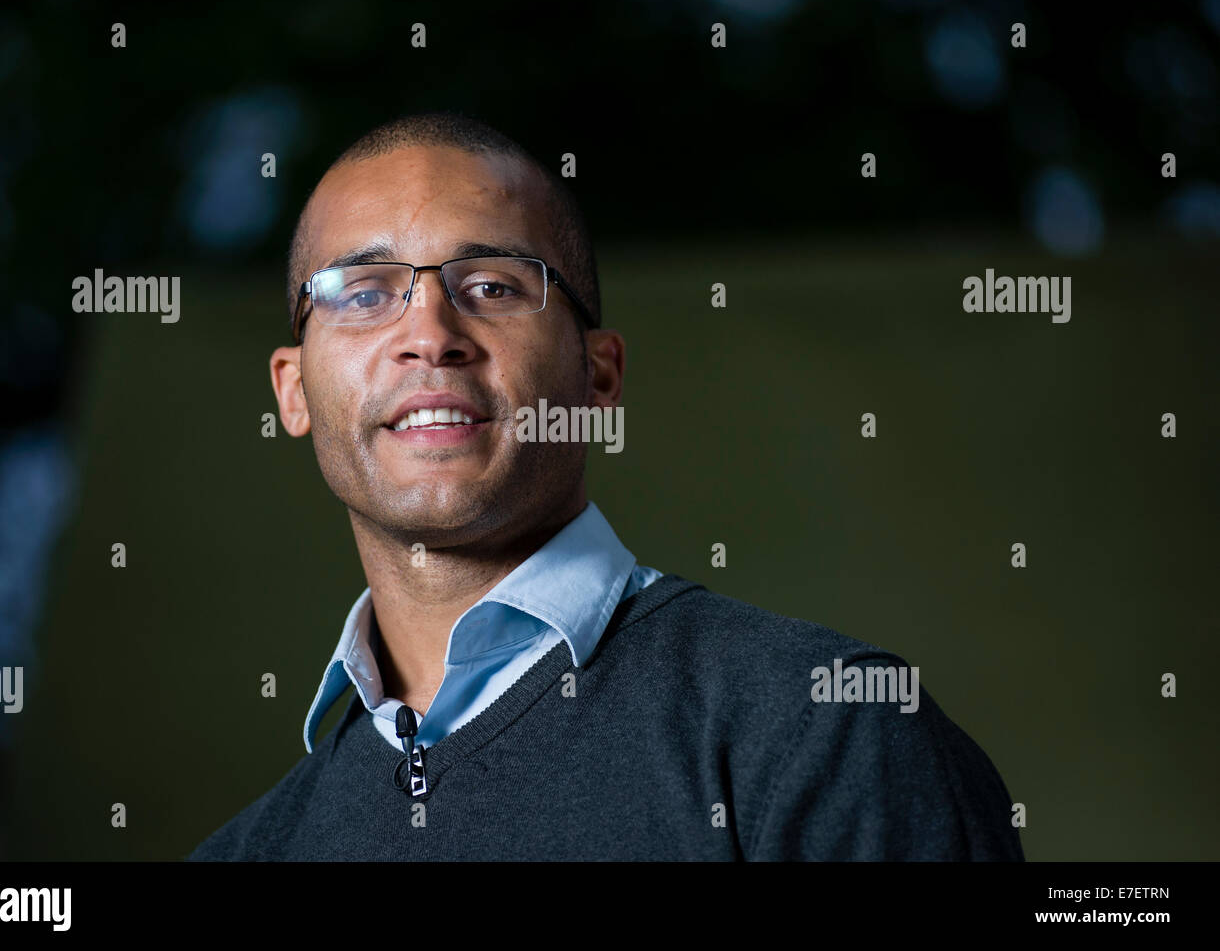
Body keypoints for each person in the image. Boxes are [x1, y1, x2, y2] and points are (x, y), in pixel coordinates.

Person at [188, 110, 1023, 861]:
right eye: (364, 293)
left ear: (598, 376)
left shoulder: (830, 732)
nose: (430, 337)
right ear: (292, 389)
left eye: (491, 287)